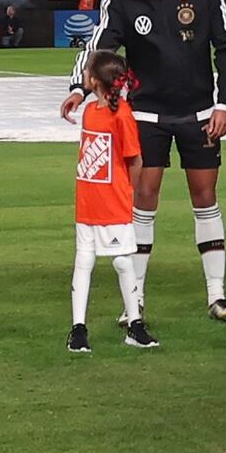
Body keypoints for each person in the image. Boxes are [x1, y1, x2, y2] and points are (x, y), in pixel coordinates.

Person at [79, 0, 226, 323]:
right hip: (144, 114)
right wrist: (78, 87)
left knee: (205, 198)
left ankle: (217, 296)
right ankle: (133, 302)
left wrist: (223, 105)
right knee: (144, 198)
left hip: (200, 113)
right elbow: (100, 46)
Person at [68, 50, 160, 354]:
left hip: (113, 203)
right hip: (88, 201)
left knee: (122, 261)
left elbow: (135, 160)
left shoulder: (122, 116)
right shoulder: (90, 112)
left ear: (95, 80)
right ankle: (78, 328)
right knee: (84, 261)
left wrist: (126, 194)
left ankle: (134, 324)